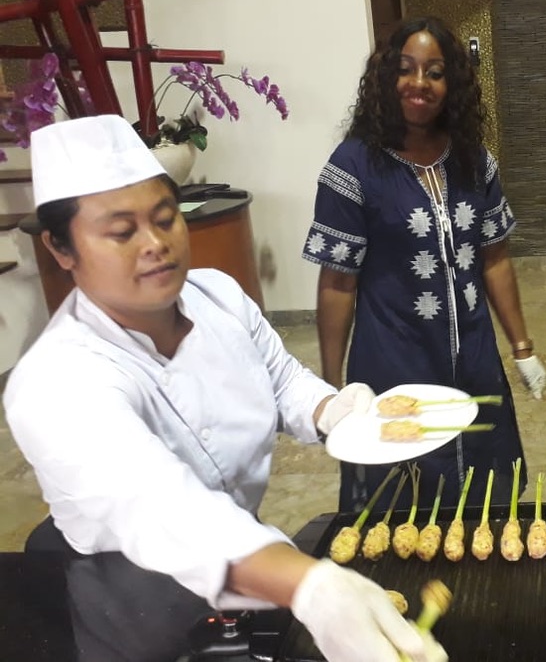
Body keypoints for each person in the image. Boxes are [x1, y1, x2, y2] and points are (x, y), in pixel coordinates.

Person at [3, 115, 446, 662]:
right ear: (61, 248)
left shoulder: (217, 296)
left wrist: (332, 408)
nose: (155, 245)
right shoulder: (55, 381)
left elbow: (281, 380)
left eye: (166, 219)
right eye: (122, 232)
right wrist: (311, 587)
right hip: (138, 597)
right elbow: (161, 508)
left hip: (252, 558)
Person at [303, 16, 546, 512]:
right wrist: (331, 386)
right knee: (404, 500)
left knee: (485, 492)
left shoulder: (474, 162)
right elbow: (338, 282)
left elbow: (495, 257)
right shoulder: (351, 167)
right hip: (396, 357)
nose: (420, 84)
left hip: (474, 357)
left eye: (434, 72)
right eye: (406, 69)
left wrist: (522, 347)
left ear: (451, 83)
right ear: (385, 79)